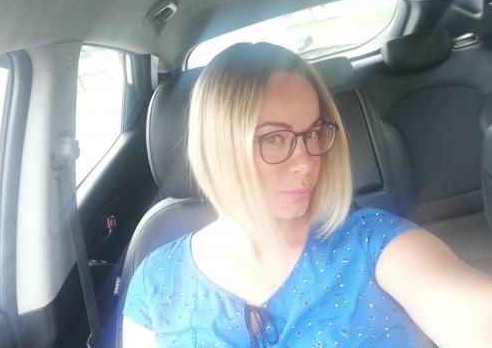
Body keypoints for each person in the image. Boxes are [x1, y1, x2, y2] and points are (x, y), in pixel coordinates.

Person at [123, 42, 492, 347]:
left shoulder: (372, 242)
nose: (307, 161)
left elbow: (473, 315)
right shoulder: (157, 281)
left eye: (314, 133)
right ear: (220, 147)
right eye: (273, 138)